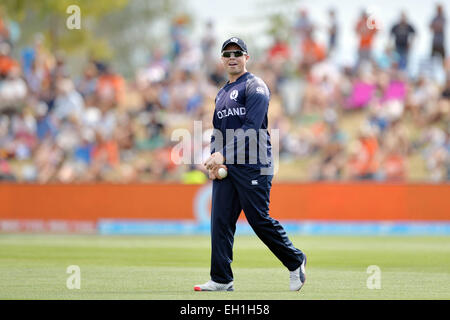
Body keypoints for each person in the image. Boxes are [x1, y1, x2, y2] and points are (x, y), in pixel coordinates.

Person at [194, 37, 306, 292]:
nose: (232, 57)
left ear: (247, 57)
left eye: (237, 53)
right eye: (227, 53)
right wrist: (214, 157)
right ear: (222, 60)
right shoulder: (221, 94)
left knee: (258, 219)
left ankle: (296, 260)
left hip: (255, 163)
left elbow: (252, 128)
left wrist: (223, 155)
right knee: (220, 221)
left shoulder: (255, 86)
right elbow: (217, 131)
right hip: (229, 166)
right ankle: (222, 278)